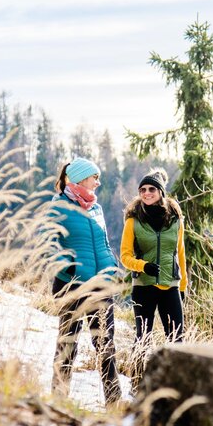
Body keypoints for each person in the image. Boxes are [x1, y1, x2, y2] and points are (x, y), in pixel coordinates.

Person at [48, 157, 121, 406]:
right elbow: (46, 240)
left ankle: (114, 403)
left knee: (105, 345)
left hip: (101, 285)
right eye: (94, 178)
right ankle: (59, 400)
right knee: (68, 343)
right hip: (72, 283)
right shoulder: (59, 205)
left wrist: (112, 266)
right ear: (80, 179)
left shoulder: (96, 208)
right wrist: (63, 263)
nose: (98, 183)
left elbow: (103, 242)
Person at [120, 168, 187, 352]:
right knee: (143, 338)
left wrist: (182, 287)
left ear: (160, 192)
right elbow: (125, 256)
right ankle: (137, 379)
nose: (147, 193)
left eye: (152, 189)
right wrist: (143, 266)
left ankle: (174, 380)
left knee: (177, 339)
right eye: (143, 190)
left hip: (170, 285)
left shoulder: (176, 221)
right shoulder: (133, 221)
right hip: (143, 286)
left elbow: (180, 254)